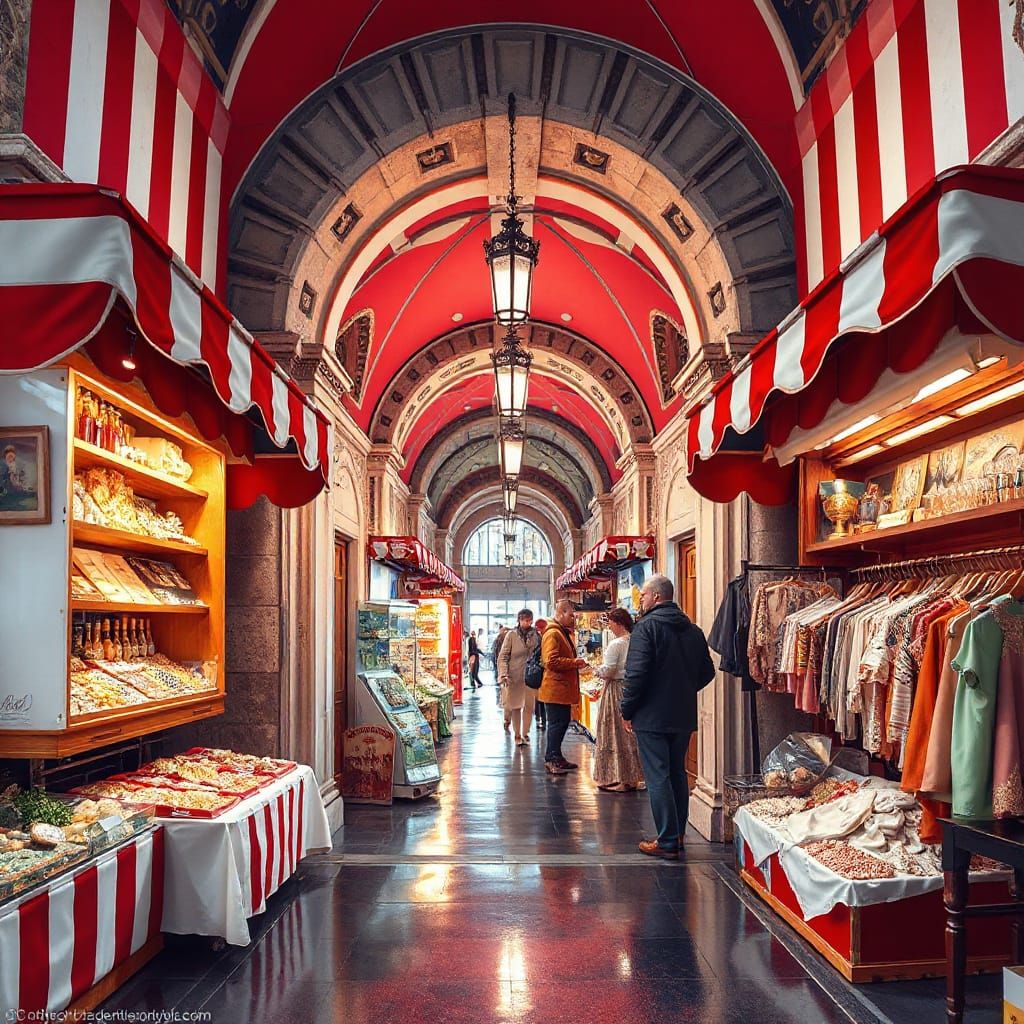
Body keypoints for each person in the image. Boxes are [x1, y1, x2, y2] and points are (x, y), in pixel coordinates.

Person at [621, 573, 715, 860]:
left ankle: (667, 840)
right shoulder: (693, 630)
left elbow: (635, 675)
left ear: (657, 597)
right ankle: (679, 833)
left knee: (658, 775)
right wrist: (683, 690)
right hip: (682, 714)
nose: (642, 601)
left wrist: (627, 709)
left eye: (645, 596)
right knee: (676, 773)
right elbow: (707, 672)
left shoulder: (646, 629)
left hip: (651, 716)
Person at [592, 608, 644, 792]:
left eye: (611, 623)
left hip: (616, 690)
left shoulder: (616, 644)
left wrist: (594, 669)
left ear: (618, 623)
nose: (610, 626)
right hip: (632, 688)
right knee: (630, 735)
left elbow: (609, 670)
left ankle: (619, 777)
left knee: (614, 732)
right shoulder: (637, 640)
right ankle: (633, 777)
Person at [539, 600, 588, 775]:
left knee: (561, 724)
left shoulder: (560, 632)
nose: (573, 618)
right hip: (555, 689)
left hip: (561, 690)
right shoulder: (553, 633)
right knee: (556, 725)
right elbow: (550, 661)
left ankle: (557, 757)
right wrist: (574, 663)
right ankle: (551, 759)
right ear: (560, 613)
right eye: (570, 614)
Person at [497, 608, 540, 745]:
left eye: (529, 620)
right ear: (519, 620)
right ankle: (517, 735)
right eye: (524, 620)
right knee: (515, 706)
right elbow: (503, 656)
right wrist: (503, 674)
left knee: (529, 706)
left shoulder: (536, 635)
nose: (526, 622)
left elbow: (540, 654)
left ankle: (525, 733)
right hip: (514, 676)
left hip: (531, 676)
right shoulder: (511, 635)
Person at [534, 618, 548, 731]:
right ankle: (542, 719)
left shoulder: (539, 638)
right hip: (543, 672)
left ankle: (540, 718)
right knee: (541, 699)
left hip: (539, 672)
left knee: (539, 698)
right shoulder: (543, 639)